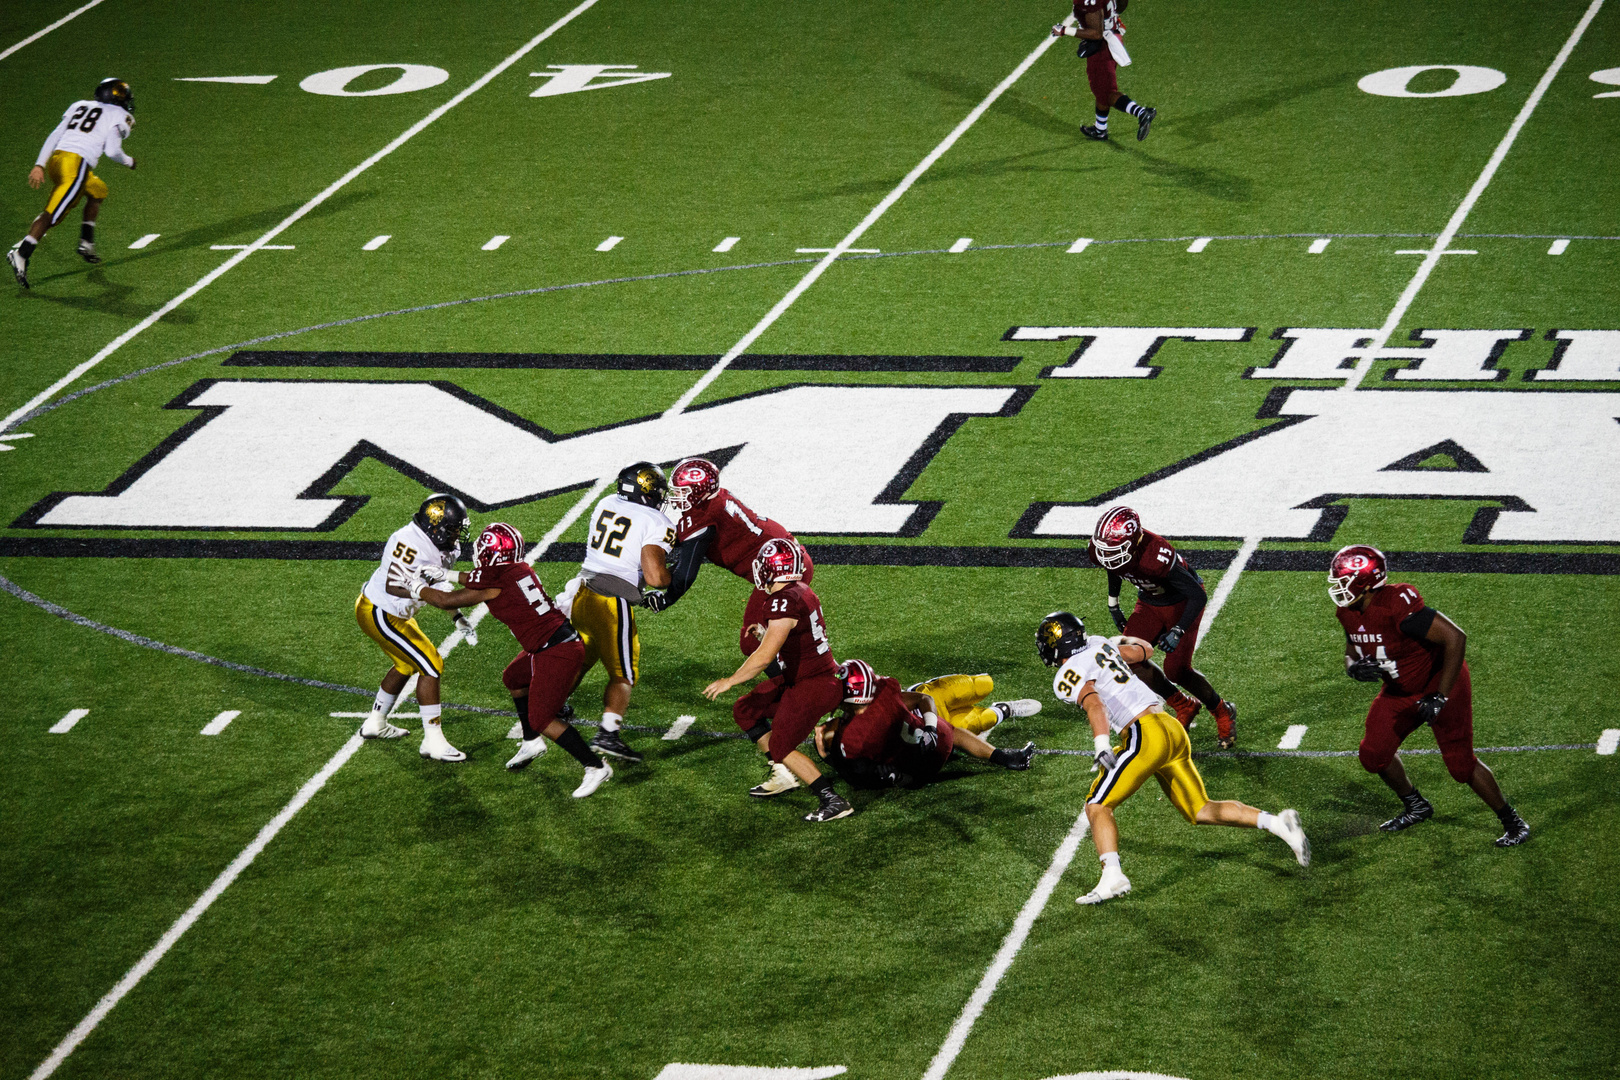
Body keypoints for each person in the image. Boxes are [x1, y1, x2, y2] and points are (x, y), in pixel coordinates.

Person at [1037, 611, 1310, 905]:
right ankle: (1278, 824)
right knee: (1199, 809)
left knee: (1098, 805)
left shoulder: (1066, 675)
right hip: (1171, 727)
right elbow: (1145, 650)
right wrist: (1123, 640)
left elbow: (1095, 705)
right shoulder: (1100, 644)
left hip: (1144, 734)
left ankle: (1113, 876)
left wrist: (1102, 744)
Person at [1329, 545, 1529, 846]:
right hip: (1398, 691)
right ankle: (1416, 805)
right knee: (1373, 755)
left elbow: (1455, 638)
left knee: (1460, 766)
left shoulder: (1397, 604)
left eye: (1343, 581)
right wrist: (1352, 667)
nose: (1338, 588)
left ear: (1366, 582)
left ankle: (1512, 822)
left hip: (1440, 684)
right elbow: (1351, 649)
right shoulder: (1346, 611)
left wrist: (1441, 696)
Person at [408, 522, 611, 797]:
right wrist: (447, 573)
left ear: (491, 553)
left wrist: (415, 587)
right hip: (555, 642)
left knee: (542, 718)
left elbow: (447, 600)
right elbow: (478, 578)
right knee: (514, 678)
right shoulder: (516, 568)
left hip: (555, 651)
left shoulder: (495, 580)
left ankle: (595, 766)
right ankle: (531, 742)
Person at [702, 538, 852, 822]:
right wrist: (765, 634)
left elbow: (763, 658)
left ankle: (831, 799)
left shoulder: (783, 601)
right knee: (746, 710)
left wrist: (730, 681)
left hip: (813, 685)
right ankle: (783, 774)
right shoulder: (800, 591)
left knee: (782, 747)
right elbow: (791, 640)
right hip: (809, 678)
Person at [1089, 504, 1239, 748]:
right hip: (1149, 601)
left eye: (1114, 549)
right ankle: (1183, 705)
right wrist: (1113, 604)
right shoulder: (1105, 551)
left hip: (1181, 601)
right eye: (1105, 549)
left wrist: (1178, 630)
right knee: (1127, 659)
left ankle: (1222, 710)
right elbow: (1114, 566)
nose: (1106, 555)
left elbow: (1197, 596)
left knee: (1176, 670)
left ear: (1134, 540)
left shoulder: (1155, 554)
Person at [559, 461, 675, 764]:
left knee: (583, 657)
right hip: (611, 599)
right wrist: (672, 572)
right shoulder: (657, 521)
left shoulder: (606, 502)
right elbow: (655, 578)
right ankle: (608, 734)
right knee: (623, 672)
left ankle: (555, 706)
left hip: (582, 592)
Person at [354, 494, 475, 762]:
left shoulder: (439, 544)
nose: (458, 535)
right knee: (431, 664)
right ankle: (433, 741)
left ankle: (375, 722)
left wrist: (456, 616)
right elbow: (393, 585)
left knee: (406, 665)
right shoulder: (408, 543)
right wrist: (428, 589)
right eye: (454, 529)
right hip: (380, 612)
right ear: (437, 527)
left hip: (393, 613)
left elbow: (438, 584)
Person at [814, 659, 1037, 789]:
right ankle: (1003, 714)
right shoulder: (886, 695)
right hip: (937, 736)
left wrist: (828, 758)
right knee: (974, 693)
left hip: (921, 770)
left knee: (974, 702)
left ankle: (1002, 712)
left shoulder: (851, 738)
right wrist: (930, 728)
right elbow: (925, 702)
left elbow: (856, 775)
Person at [9, 79, 138, 288]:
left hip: (58, 160)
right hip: (76, 166)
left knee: (98, 190)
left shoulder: (80, 105)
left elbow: (56, 134)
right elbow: (112, 151)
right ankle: (22, 253)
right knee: (53, 214)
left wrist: (39, 165)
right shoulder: (119, 116)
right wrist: (129, 161)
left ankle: (86, 242)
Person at [647, 455, 813, 612]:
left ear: (697, 491)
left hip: (782, 569)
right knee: (776, 632)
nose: (676, 496)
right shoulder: (717, 497)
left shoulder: (704, 517)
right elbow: (691, 544)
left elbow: (687, 571)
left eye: (681, 492)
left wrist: (665, 599)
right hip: (789, 557)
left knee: (757, 633)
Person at [1051, 1, 1156, 142]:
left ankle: (1141, 112)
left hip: (1102, 47)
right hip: (1113, 37)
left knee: (1107, 94)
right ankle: (1100, 129)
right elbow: (1122, 3)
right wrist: (1110, 16)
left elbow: (1096, 34)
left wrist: (1064, 30)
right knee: (1102, 89)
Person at [904, 672, 1042, 736]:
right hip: (935, 727)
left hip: (931, 697)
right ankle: (1006, 709)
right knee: (984, 720)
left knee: (984, 684)